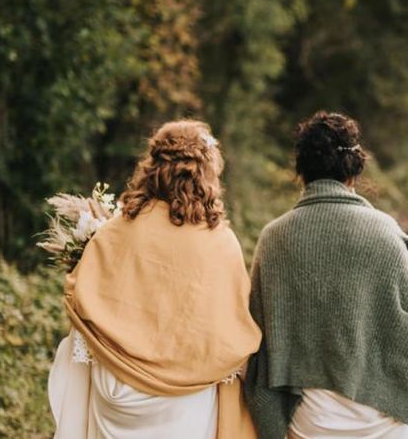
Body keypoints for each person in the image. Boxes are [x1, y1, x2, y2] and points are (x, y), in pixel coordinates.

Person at [245, 110, 408, 439]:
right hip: (385, 419)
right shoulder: (385, 233)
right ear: (354, 169)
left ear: (302, 172)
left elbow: (257, 346)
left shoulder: (272, 239)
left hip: (310, 422)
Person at [48, 120, 261, 439]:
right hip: (186, 408)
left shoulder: (114, 232)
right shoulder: (221, 245)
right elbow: (231, 337)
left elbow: (81, 305)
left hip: (114, 398)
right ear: (207, 174)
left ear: (152, 167)